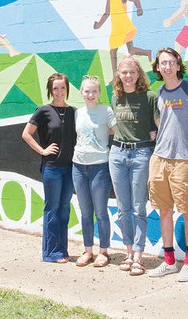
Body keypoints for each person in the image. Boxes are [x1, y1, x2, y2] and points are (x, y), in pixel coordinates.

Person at [148, 48, 188, 281]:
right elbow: (162, 123)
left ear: (179, 66)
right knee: (164, 211)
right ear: (158, 68)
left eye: (172, 62)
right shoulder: (158, 91)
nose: (168, 66)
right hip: (159, 158)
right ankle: (169, 260)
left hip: (184, 160)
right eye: (163, 63)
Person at [109, 56, 159, 276]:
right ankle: (128, 253)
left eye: (132, 72)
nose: (128, 76)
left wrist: (155, 134)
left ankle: (139, 254)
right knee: (123, 208)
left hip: (141, 153)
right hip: (117, 153)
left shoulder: (150, 97)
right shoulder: (115, 98)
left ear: (139, 74)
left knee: (139, 207)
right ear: (118, 75)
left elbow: (160, 124)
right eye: (124, 72)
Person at [21, 73, 77, 263]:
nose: (59, 92)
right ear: (50, 90)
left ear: (67, 89)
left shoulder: (73, 112)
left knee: (64, 209)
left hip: (69, 169)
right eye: (55, 88)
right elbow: (26, 134)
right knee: (52, 209)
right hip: (52, 169)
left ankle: (62, 249)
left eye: (62, 88)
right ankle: (51, 252)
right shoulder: (43, 111)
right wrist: (42, 150)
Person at [72, 76, 116, 268]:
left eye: (94, 91)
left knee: (100, 212)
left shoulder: (106, 111)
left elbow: (116, 131)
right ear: (81, 92)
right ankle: (88, 250)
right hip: (78, 167)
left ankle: (103, 252)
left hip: (100, 167)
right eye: (87, 91)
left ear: (99, 93)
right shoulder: (77, 113)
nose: (90, 95)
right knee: (85, 212)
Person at [93, 0, 152, 74]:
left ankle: (115, 76)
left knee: (113, 51)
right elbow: (107, 13)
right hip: (116, 29)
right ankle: (147, 52)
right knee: (130, 50)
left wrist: (139, 8)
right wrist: (99, 25)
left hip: (124, 27)